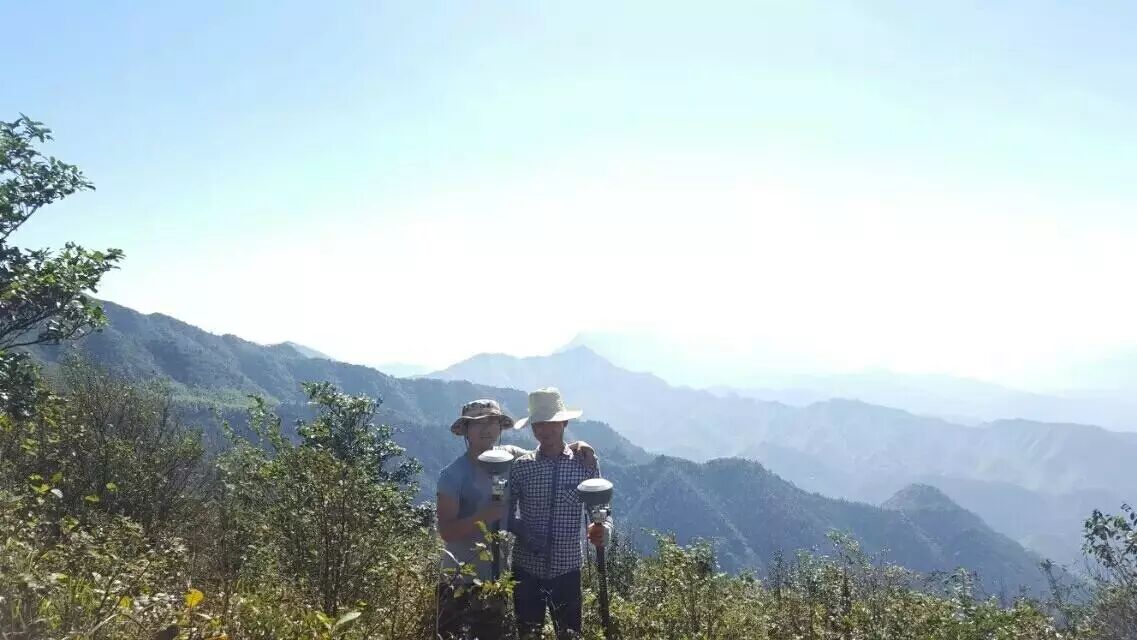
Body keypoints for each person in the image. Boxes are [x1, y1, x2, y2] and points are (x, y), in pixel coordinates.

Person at [435, 398, 597, 640]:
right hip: (460, 580)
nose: (486, 429)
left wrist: (580, 446)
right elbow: (446, 532)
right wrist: (486, 515)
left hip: (498, 580)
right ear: (465, 430)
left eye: (492, 422)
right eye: (477, 423)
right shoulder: (453, 475)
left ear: (500, 427)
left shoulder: (510, 458)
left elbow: (547, 453)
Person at [508, 388, 613, 640]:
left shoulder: (585, 464)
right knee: (528, 634)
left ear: (564, 423)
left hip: (567, 570)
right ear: (532, 427)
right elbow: (506, 515)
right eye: (539, 424)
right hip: (526, 569)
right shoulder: (522, 467)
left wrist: (605, 529)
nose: (545, 430)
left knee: (569, 635)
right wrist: (526, 534)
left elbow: (600, 509)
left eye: (552, 423)